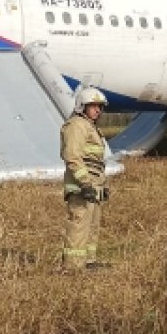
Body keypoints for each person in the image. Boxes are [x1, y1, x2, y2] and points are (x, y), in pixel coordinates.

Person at [60, 86, 111, 270]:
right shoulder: (76, 125)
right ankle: (73, 266)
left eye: (100, 106)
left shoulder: (91, 127)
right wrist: (85, 183)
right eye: (93, 106)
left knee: (92, 226)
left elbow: (96, 162)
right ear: (82, 106)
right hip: (81, 186)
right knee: (79, 225)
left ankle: (88, 261)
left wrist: (103, 186)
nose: (98, 110)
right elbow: (72, 156)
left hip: (94, 186)